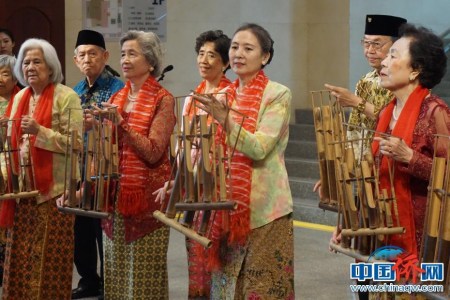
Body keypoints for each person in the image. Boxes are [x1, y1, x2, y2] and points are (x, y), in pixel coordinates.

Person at [334, 24, 450, 299]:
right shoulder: (387, 112)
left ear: (415, 69)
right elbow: (376, 178)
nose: (383, 61)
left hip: (423, 243)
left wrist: (411, 158)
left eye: (393, 55)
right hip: (383, 234)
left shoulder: (436, 113)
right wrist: (349, 224)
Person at [191, 23, 294, 299]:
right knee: (225, 290)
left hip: (264, 212)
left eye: (248, 48)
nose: (238, 53)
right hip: (225, 208)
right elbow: (209, 152)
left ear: (265, 57)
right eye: (235, 47)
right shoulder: (224, 94)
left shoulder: (277, 94)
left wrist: (227, 120)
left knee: (261, 289)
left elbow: (259, 148)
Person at [0, 38, 83, 299]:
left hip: (55, 193)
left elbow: (77, 144)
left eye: (37, 61)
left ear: (50, 66)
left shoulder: (66, 96)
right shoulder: (20, 97)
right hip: (22, 193)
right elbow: (10, 146)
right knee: (20, 259)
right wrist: (5, 178)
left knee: (51, 258)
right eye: (25, 62)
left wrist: (40, 131)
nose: (30, 67)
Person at [97, 30, 175, 299]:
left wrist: (122, 124)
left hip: (146, 204)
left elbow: (153, 152)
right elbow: (109, 148)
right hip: (115, 201)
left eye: (133, 53)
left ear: (150, 62)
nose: (125, 59)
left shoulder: (162, 99)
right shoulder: (118, 98)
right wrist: (97, 128)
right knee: (116, 277)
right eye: (122, 54)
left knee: (144, 283)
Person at [314, 15, 407, 199]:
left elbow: (397, 124)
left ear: (396, 47)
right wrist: (338, 174)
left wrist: (356, 102)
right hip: (367, 172)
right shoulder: (365, 81)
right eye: (366, 43)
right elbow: (356, 136)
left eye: (377, 44)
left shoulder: (405, 82)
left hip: (395, 172)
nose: (369, 50)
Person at [71, 29, 124, 300]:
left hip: (106, 167)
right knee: (80, 226)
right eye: (82, 55)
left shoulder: (118, 88)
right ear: (75, 60)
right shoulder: (74, 92)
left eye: (93, 53)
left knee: (102, 226)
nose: (87, 59)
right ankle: (89, 279)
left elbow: (121, 126)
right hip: (79, 166)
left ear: (105, 56)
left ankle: (110, 283)